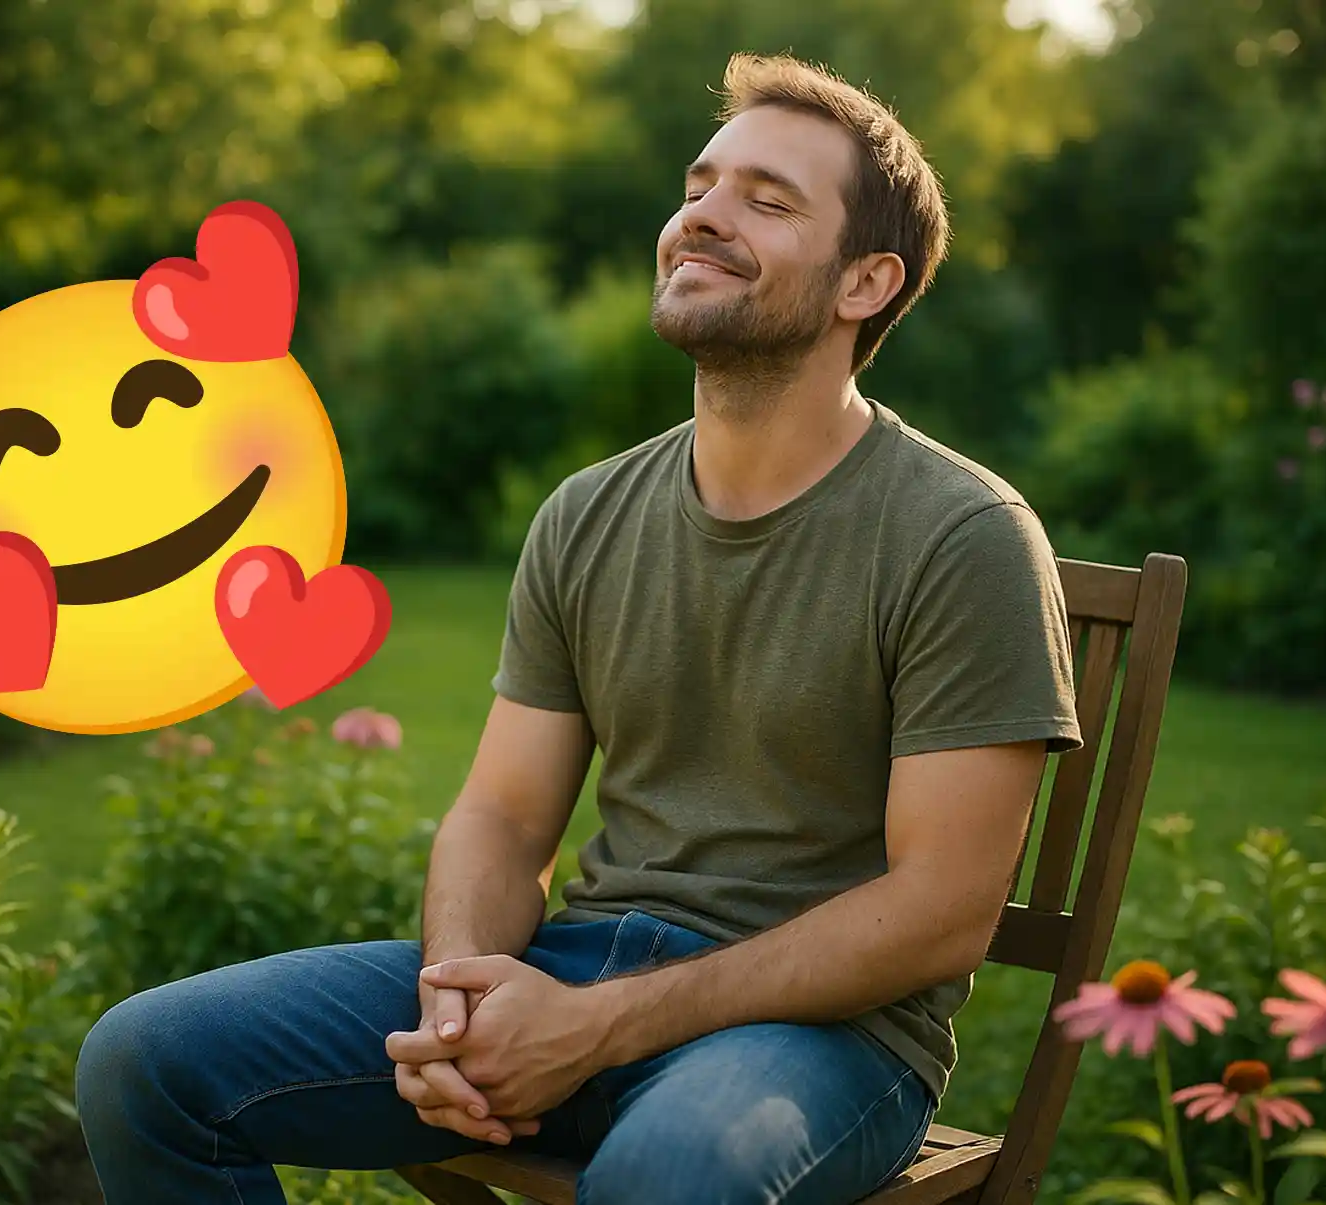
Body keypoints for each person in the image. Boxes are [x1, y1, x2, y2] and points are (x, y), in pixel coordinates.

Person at [75, 51, 1082, 1205]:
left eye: (765, 199)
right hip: (571, 973)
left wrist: (597, 1026)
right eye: (699, 185)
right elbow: (502, 816)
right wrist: (460, 996)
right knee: (145, 1063)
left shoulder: (958, 533)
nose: (701, 215)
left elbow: (939, 911)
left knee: (665, 1176)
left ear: (864, 282)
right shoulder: (588, 512)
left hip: (819, 1039)